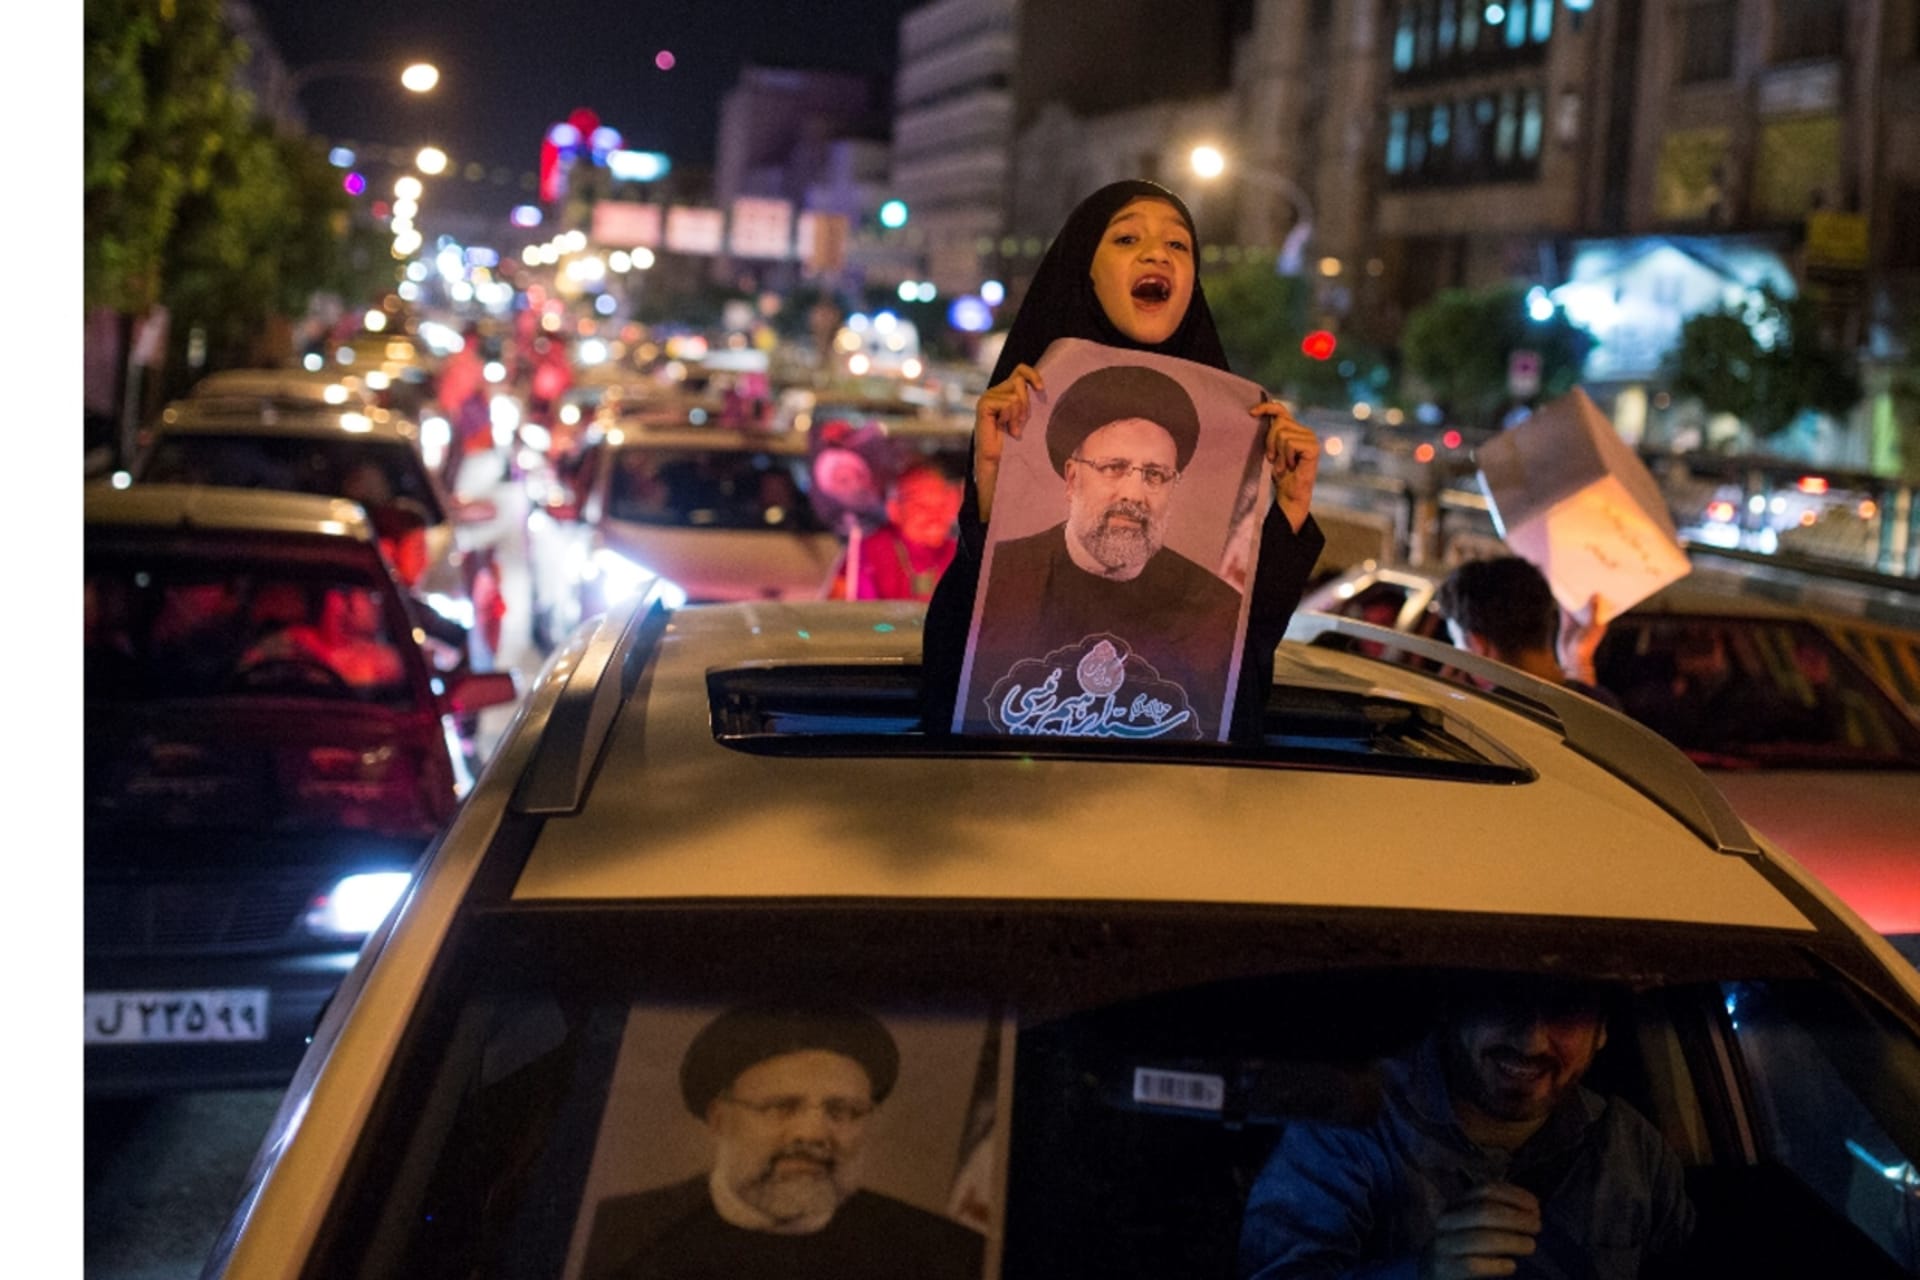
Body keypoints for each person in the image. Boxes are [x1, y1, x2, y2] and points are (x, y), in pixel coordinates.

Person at [920, 178, 1324, 743]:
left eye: (1178, 245)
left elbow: (1244, 653)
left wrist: (1292, 508)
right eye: (1128, 238)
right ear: (1069, 473)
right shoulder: (1018, 541)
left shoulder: (1206, 589)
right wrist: (993, 484)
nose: (1157, 253)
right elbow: (964, 648)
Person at [1238, 973, 1696, 1280]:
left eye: (1567, 1008)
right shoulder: (1352, 1125)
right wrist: (1421, 1272)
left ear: (1602, 1032)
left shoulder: (1635, 1149)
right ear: (1453, 1005)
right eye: (1505, 997)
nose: (1531, 1040)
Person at [580, 999, 985, 1280]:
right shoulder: (610, 1236)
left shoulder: (949, 1255)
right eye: (781, 1107)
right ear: (720, 1119)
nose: (812, 1134)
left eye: (842, 1112)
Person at [963, 364, 1246, 735]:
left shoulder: (1217, 612)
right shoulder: (999, 576)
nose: (1134, 494)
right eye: (1113, 467)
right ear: (1072, 478)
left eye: (1155, 475)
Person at [1434, 556, 1621, 710]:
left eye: (1458, 644)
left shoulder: (1485, 719)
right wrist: (1577, 661)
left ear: (1477, 644)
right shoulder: (1604, 707)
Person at [828, 460, 964, 602]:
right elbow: (837, 615)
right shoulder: (868, 552)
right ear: (894, 510)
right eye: (920, 506)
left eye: (941, 505)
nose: (935, 516)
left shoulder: (962, 553)